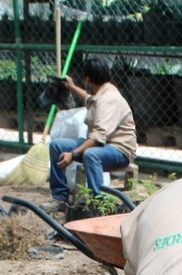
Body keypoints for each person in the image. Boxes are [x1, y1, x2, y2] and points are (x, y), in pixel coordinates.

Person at [48, 58, 137, 210]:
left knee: (91, 154)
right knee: (57, 146)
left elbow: (98, 137)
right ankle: (59, 197)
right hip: (103, 146)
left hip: (119, 151)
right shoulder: (102, 93)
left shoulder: (109, 99)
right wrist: (72, 87)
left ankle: (99, 202)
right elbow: (90, 100)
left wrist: (73, 153)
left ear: (88, 79)